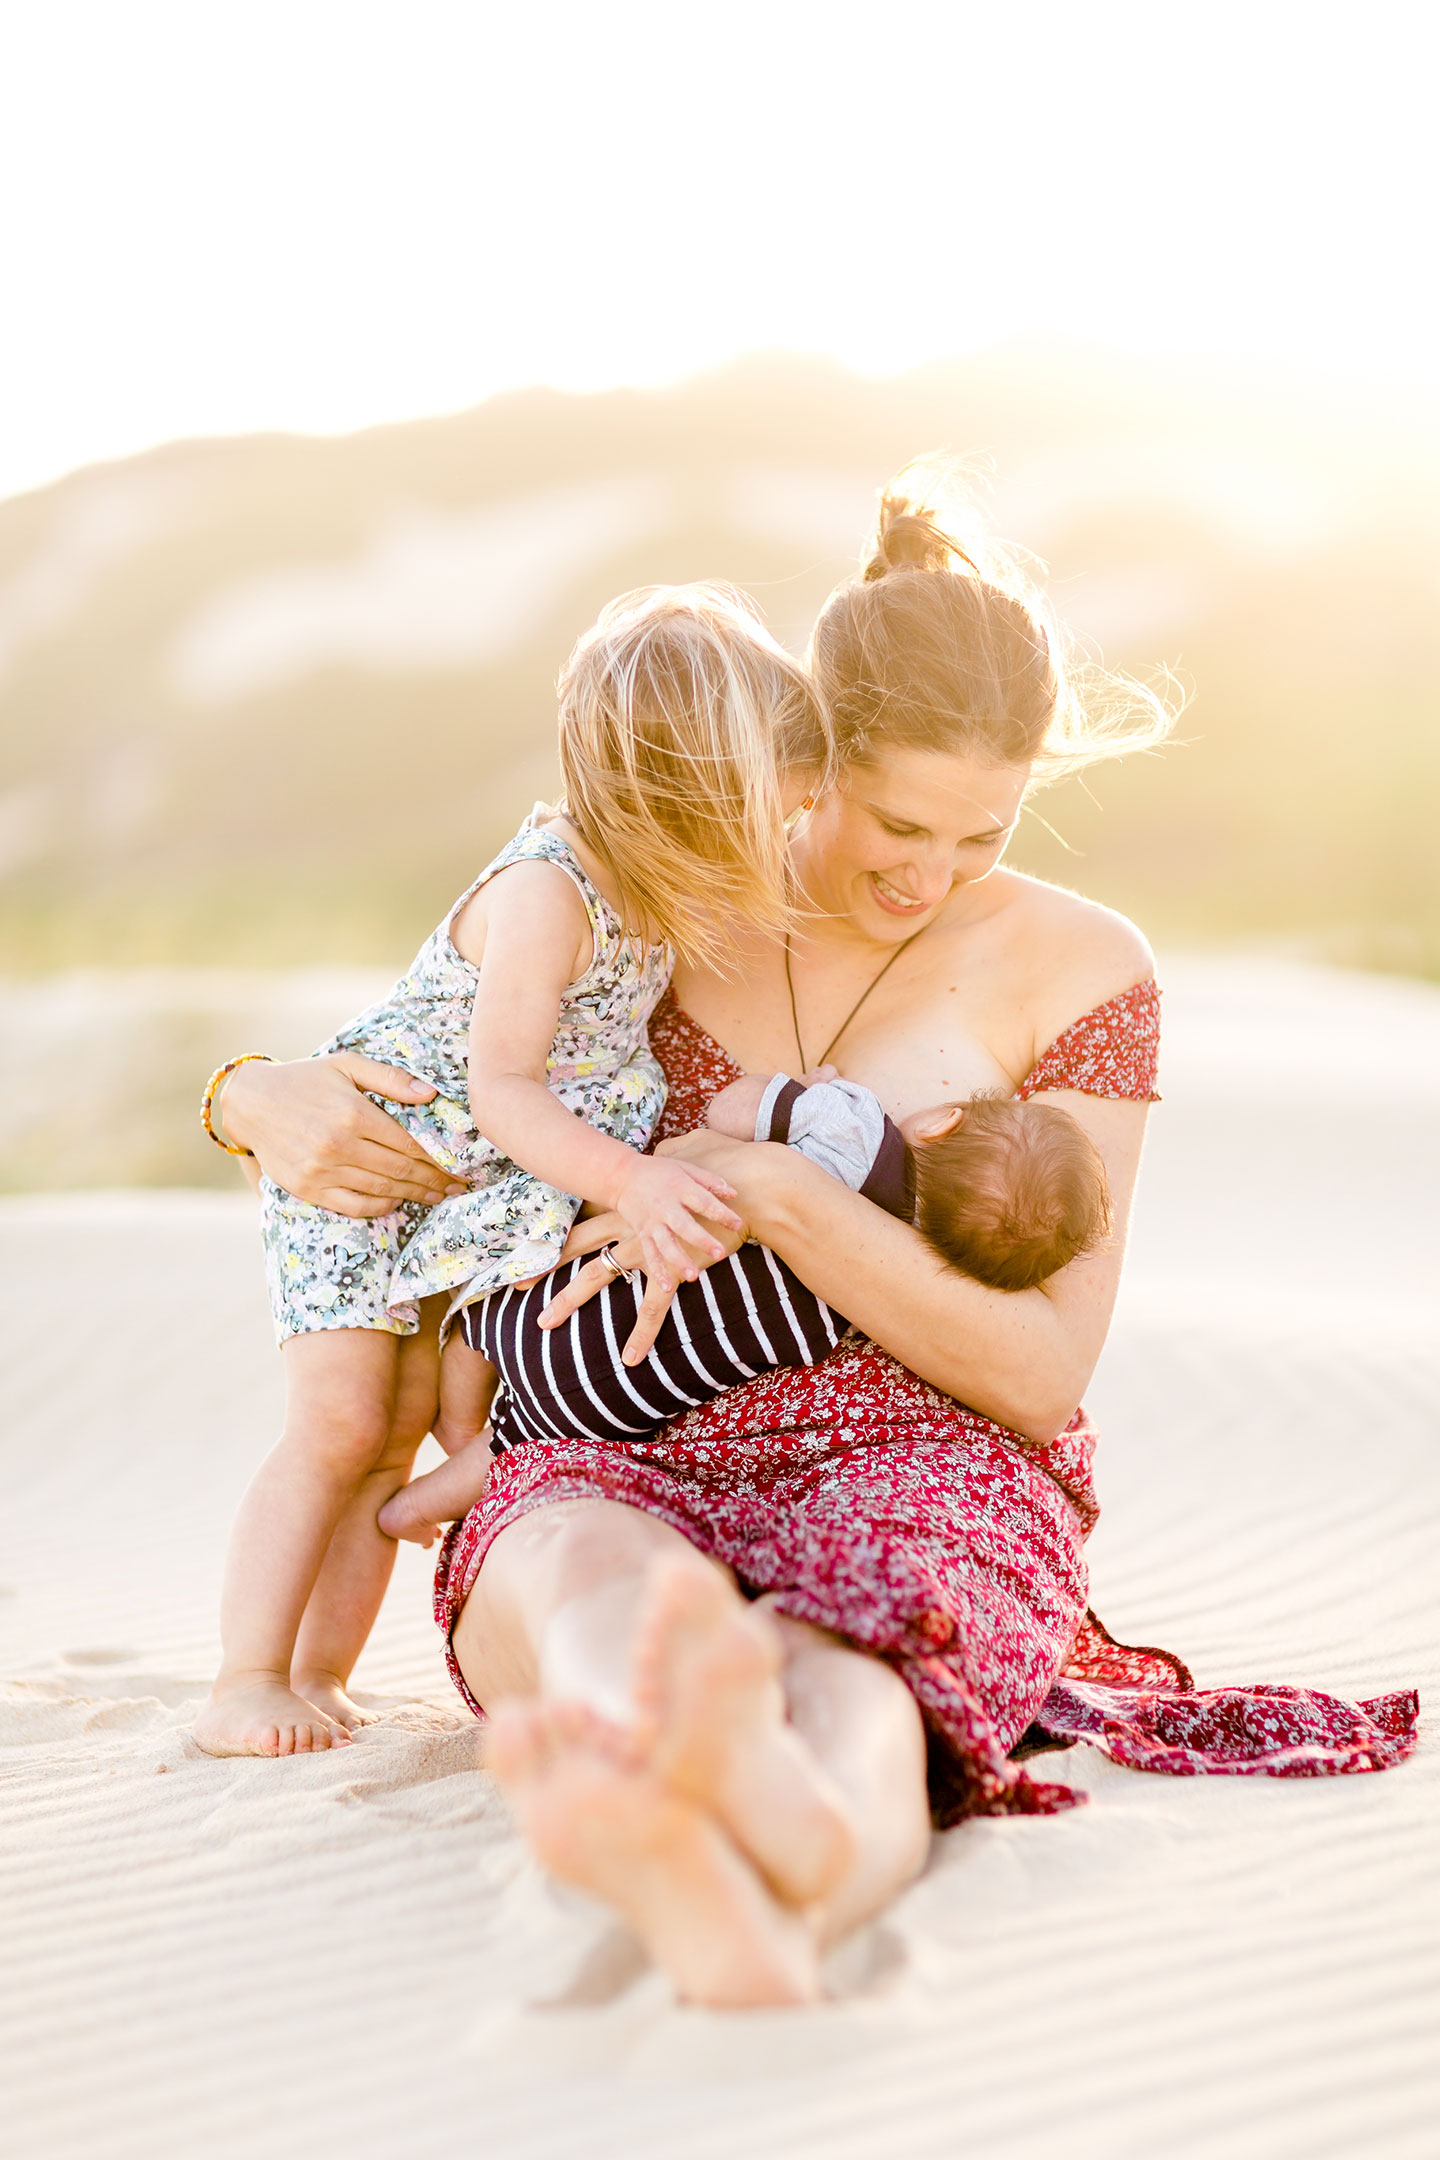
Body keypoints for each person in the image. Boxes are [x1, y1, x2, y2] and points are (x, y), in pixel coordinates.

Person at [215, 468, 1417, 2003]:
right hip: (614, 1432)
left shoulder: (1085, 972)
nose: (929, 877)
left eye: (983, 836)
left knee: (860, 1650)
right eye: (899, 822)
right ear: (808, 759)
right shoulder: (657, 899)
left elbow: (1042, 1370)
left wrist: (785, 1194)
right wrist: (246, 1092)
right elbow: (449, 1050)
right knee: (591, 1573)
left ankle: (795, 1848)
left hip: (922, 1441)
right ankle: (655, 1790)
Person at [193, 583, 830, 1757]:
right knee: (337, 1425)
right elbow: (507, 1090)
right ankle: (243, 1676)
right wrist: (635, 1185)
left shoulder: (647, 896)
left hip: (458, 1205)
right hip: (364, 1177)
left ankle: (318, 1677)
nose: (780, 841)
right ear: (685, 790)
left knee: (403, 1433)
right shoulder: (550, 894)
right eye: (767, 816)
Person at [376, 1064, 1111, 1539]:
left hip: (577, 1307)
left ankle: (453, 1406)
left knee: (490, 1320)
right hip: (622, 1403)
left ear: (940, 1123)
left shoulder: (856, 1129)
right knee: (512, 1447)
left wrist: (802, 1092)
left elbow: (732, 1109)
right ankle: (420, 1505)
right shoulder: (895, 1295)